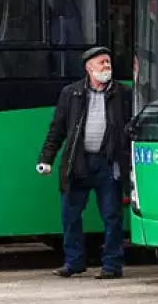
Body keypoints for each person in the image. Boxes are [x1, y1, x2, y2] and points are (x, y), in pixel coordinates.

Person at [37, 46, 133, 279]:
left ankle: (112, 266)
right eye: (101, 63)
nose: (106, 67)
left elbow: (132, 128)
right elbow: (57, 129)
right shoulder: (71, 94)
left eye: (108, 63)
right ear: (89, 68)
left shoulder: (123, 93)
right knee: (70, 215)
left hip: (108, 164)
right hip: (77, 163)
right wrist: (46, 159)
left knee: (112, 216)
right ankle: (74, 262)